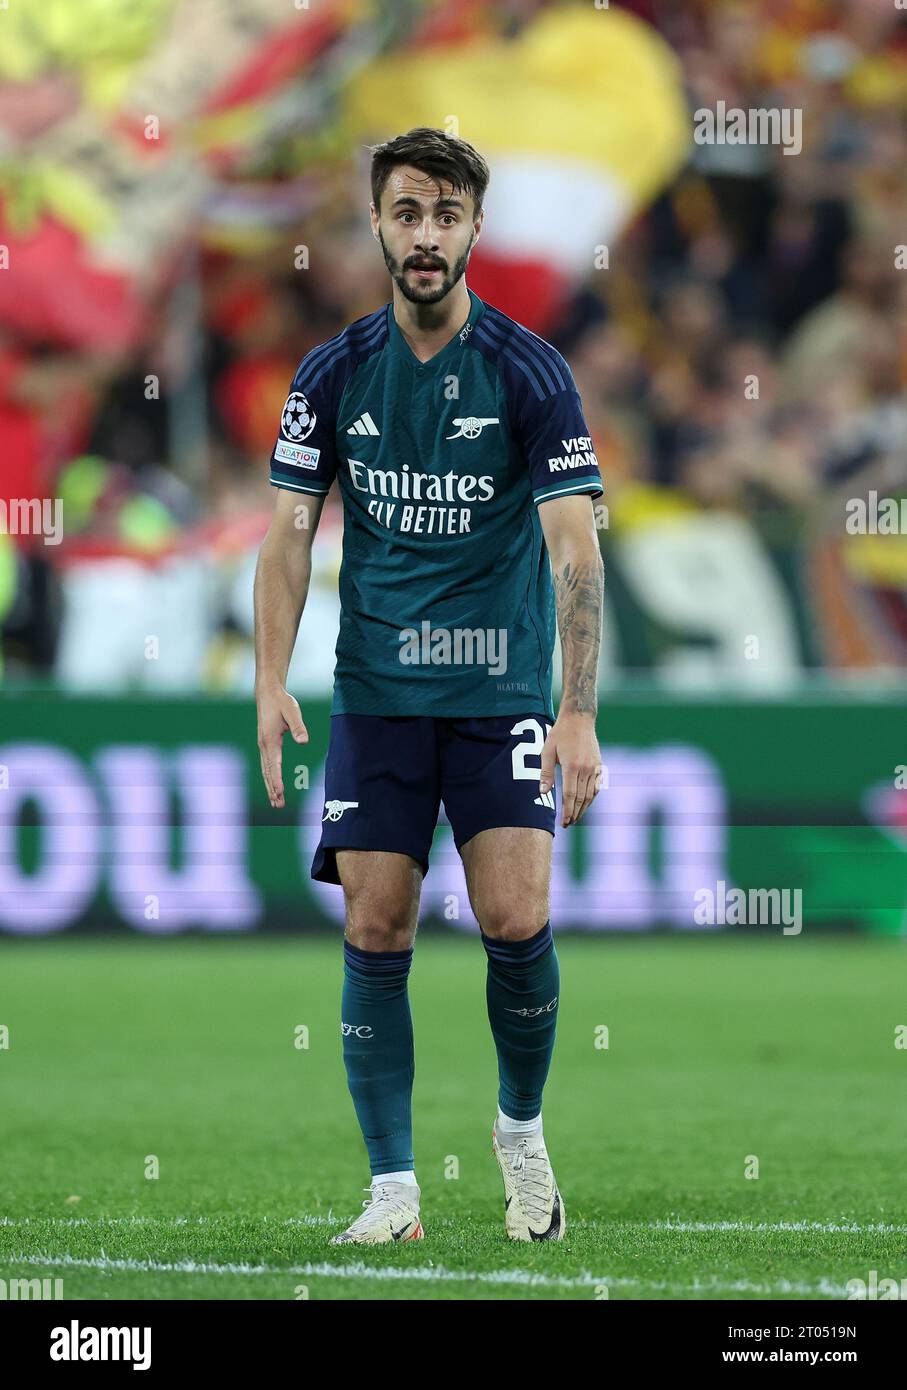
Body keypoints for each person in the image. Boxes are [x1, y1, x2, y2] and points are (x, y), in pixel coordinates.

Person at [254, 127, 604, 1244]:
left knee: (516, 914)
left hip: (499, 686)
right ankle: (393, 1192)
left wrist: (578, 710)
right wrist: (269, 679)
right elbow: (286, 536)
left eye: (445, 215)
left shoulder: (529, 372)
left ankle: (519, 1130)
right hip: (377, 693)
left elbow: (575, 553)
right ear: (379, 225)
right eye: (407, 213)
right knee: (376, 924)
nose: (425, 235)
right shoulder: (333, 372)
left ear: (473, 232)